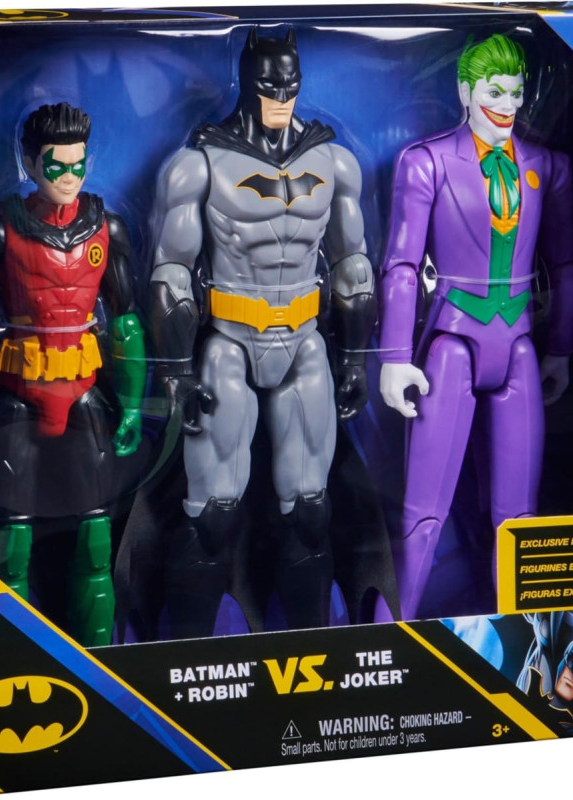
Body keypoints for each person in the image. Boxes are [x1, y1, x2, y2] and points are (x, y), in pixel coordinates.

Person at [149, 28, 377, 637]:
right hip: (228, 340)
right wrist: (176, 374)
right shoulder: (200, 165)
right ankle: (181, 657)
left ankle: (314, 653)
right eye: (269, 84)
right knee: (212, 511)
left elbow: (353, 263)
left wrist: (356, 357)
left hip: (304, 341)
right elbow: (171, 272)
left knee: (311, 508)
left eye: (290, 84)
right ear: (247, 81)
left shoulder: (333, 162)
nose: (281, 94)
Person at [378, 34, 573, 620]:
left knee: (519, 515)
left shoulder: (547, 166)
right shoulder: (428, 162)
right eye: (495, 91)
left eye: (516, 92)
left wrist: (560, 348)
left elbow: (565, 266)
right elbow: (401, 265)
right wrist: (394, 357)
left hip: (519, 347)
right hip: (453, 343)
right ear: (465, 91)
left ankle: (521, 636)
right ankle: (394, 629)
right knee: (424, 510)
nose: (507, 104)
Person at [0, 102, 145, 646]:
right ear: (31, 163)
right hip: (18, 391)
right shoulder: (4, 228)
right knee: (11, 541)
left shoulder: (107, 227)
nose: (68, 177)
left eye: (77, 165)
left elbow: (125, 321)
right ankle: (10, 653)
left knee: (96, 537)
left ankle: (99, 659)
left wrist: (132, 404)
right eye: (56, 166)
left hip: (83, 391)